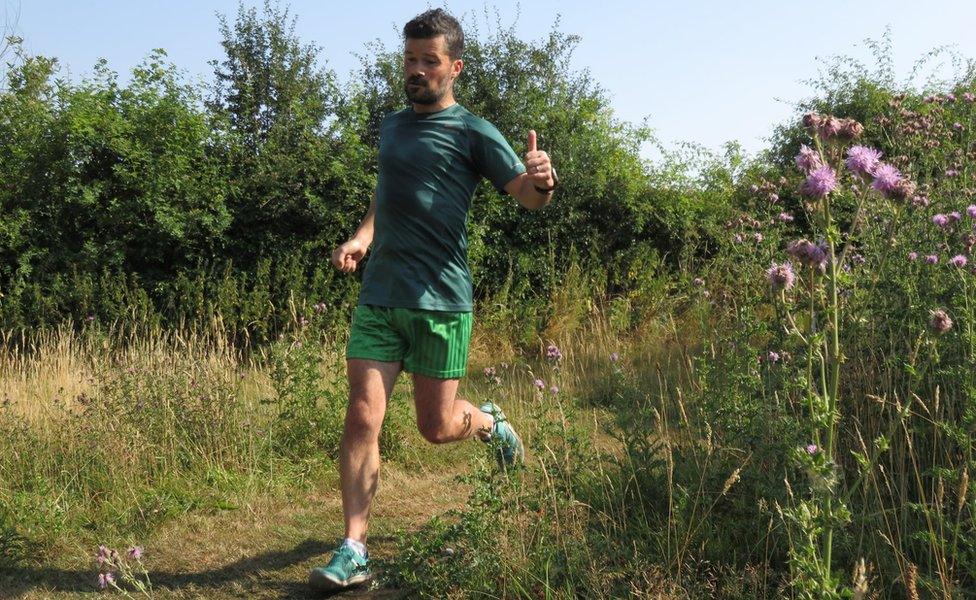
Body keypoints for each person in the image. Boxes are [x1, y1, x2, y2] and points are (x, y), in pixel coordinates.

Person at [308, 8, 558, 591]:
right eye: (410, 60)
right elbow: (386, 194)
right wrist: (361, 237)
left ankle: (490, 423)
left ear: (454, 67)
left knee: (438, 427)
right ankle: (353, 548)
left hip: (441, 302)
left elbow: (526, 196)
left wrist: (542, 177)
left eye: (429, 61)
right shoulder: (392, 126)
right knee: (362, 415)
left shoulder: (473, 131)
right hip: (380, 296)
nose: (416, 70)